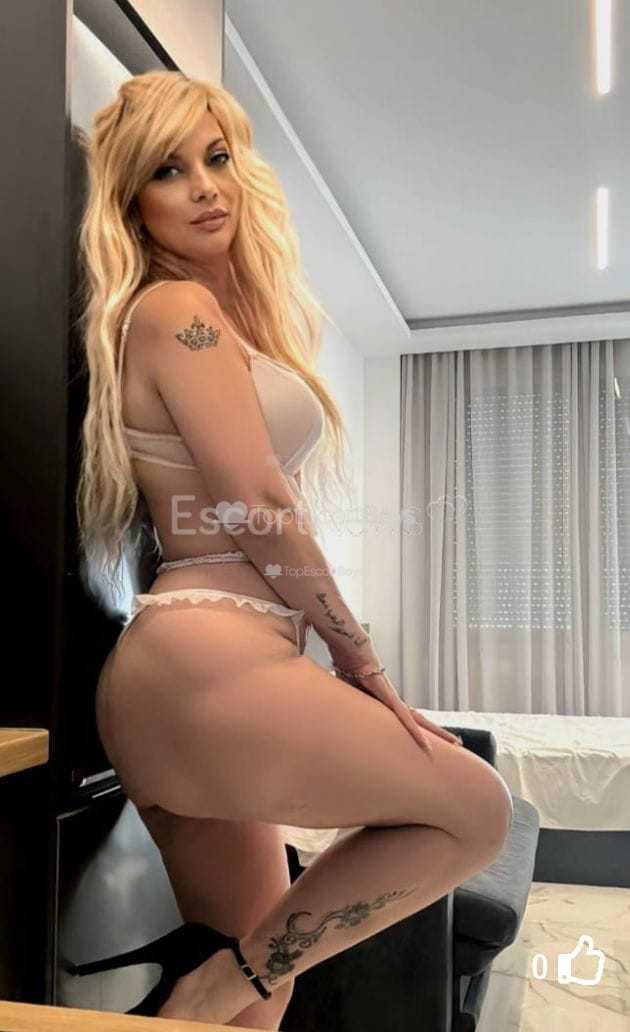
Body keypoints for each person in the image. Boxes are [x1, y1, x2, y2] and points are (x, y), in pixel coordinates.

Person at [71, 70, 513, 1027]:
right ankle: (208, 986)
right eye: (168, 171)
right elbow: (258, 500)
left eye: (216, 157)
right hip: (203, 662)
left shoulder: (211, 319)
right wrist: (361, 660)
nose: (205, 187)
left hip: (195, 678)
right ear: (132, 202)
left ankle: (208, 995)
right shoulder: (173, 309)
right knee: (476, 810)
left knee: (256, 999)